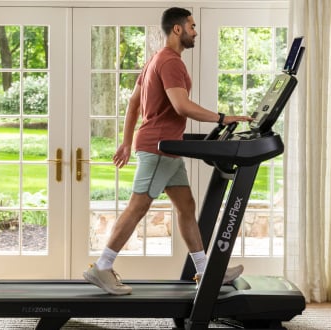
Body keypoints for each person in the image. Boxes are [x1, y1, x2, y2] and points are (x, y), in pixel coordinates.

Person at [83, 7, 252, 295]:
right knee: (138, 206)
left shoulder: (154, 61)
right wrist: (223, 118)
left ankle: (203, 270)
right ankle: (101, 266)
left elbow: (134, 103)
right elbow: (181, 106)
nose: (195, 32)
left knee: (186, 206)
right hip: (160, 147)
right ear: (178, 29)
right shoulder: (171, 62)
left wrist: (126, 142)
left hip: (168, 148)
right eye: (192, 26)